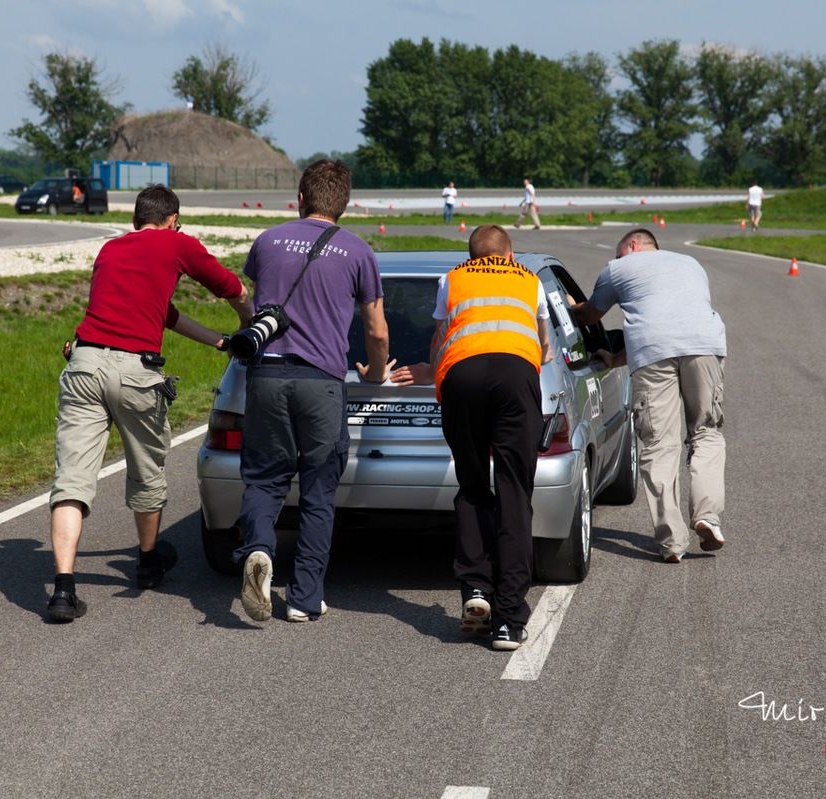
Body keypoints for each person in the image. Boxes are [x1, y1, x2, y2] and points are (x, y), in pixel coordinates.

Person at [45, 184, 254, 622]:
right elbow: (231, 286)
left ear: (136, 219)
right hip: (134, 373)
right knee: (147, 469)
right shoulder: (178, 243)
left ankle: (63, 590)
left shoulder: (111, 250)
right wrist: (247, 325)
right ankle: (147, 562)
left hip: (83, 362)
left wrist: (219, 343)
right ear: (173, 218)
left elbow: (163, 314)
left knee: (72, 480)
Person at [235, 159, 391, 625]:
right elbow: (376, 330)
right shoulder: (358, 252)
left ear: (299, 198)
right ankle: (304, 597)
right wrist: (376, 373)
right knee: (319, 489)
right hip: (321, 381)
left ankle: (260, 549)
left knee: (263, 478)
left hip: (266, 374)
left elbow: (251, 306)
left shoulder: (267, 241)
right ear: (344, 204)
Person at [391, 224, 552, 651]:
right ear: (510, 255)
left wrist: (432, 369)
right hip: (516, 379)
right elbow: (545, 346)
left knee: (473, 484)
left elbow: (440, 338)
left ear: (472, 253)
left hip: (463, 377)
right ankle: (510, 620)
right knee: (515, 492)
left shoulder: (453, 278)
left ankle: (476, 590)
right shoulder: (530, 280)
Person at [570, 228, 727, 563]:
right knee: (706, 432)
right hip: (706, 346)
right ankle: (707, 516)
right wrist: (618, 358)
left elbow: (591, 315)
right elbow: (672, 323)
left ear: (632, 245)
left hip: (653, 353)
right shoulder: (691, 263)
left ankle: (672, 542)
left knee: (659, 443)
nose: (614, 261)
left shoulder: (618, 268)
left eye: (618, 253)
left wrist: (570, 307)